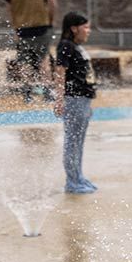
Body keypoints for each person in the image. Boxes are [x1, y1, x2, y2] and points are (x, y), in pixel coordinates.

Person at [53, 12, 98, 194]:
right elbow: (60, 71)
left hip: (84, 100)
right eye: (85, 27)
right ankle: (72, 182)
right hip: (74, 99)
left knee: (78, 142)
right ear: (73, 28)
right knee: (72, 142)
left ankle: (78, 176)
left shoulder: (76, 46)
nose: (88, 31)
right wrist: (59, 99)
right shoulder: (65, 45)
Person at [4, 0, 57, 102]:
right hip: (41, 25)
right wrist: (51, 19)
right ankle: (47, 92)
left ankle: (27, 93)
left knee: (24, 60)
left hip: (22, 28)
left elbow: (9, 8)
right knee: (43, 59)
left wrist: (15, 26)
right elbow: (51, 0)